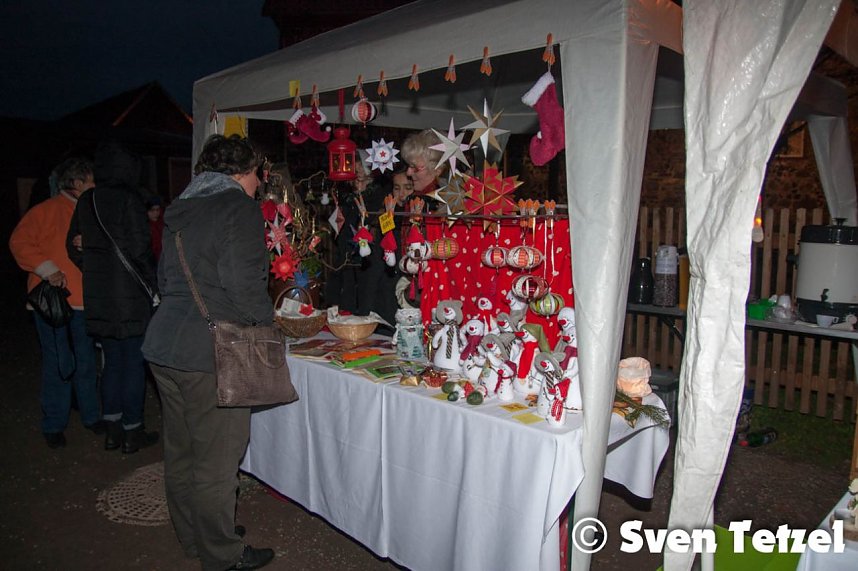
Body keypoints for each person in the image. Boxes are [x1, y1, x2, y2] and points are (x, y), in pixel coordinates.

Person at [142, 134, 276, 571]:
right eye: (258, 174)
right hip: (212, 351)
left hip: (164, 343)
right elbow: (243, 283)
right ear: (243, 172)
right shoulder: (238, 207)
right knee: (217, 461)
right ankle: (222, 555)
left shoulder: (181, 207)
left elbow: (166, 278)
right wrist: (265, 325)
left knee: (182, 453)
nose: (259, 183)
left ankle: (196, 538)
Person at [66, 141, 159, 454]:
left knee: (111, 363)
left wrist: (95, 268)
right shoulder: (130, 199)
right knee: (133, 363)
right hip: (130, 296)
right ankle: (133, 430)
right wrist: (153, 283)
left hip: (99, 294)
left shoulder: (87, 200)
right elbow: (140, 248)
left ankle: (112, 429)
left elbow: (72, 246)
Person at [10, 158, 103, 448]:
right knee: (58, 362)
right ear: (76, 183)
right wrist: (47, 270)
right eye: (91, 181)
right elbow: (19, 242)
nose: (95, 186)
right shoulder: (45, 210)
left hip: (84, 302)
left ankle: (91, 415)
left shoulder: (90, 211)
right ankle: (53, 422)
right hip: (51, 303)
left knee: (86, 361)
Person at [146, 195, 165, 262]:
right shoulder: (145, 226)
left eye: (157, 210)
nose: (155, 213)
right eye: (152, 210)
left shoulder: (163, 222)